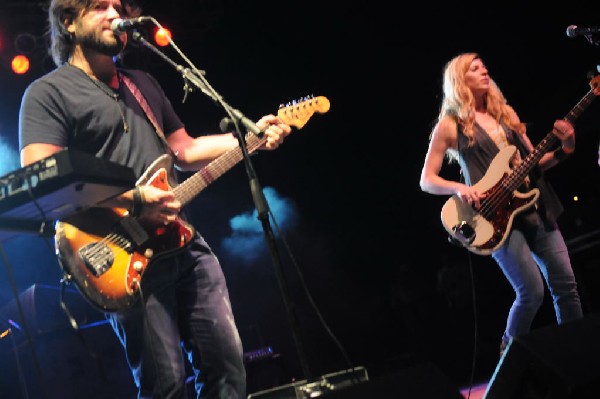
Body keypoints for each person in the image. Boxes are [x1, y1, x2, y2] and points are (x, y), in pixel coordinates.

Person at [18, 0, 292, 398]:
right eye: (99, 7)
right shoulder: (47, 94)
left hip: (183, 242)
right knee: (164, 385)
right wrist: (132, 200)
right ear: (68, 22)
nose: (115, 13)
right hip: (120, 254)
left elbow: (184, 149)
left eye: (118, 5)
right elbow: (43, 179)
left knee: (229, 370)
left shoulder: (141, 82)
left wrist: (251, 139)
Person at [419, 52, 584, 356]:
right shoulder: (451, 125)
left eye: (484, 65)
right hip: (494, 217)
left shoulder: (505, 113)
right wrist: (459, 189)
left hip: (534, 206)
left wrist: (567, 147)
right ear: (459, 80)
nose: (484, 70)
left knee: (565, 285)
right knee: (531, 292)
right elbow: (426, 179)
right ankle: (509, 355)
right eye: (474, 68)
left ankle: (577, 354)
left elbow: (534, 163)